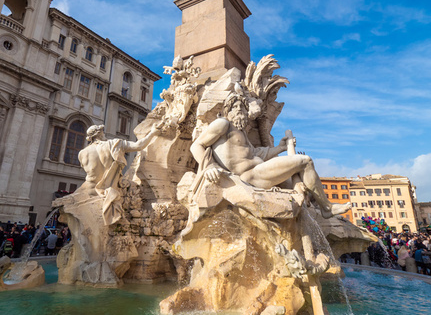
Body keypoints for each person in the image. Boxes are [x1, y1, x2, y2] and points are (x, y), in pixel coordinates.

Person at [190, 93, 351, 218]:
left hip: (259, 171)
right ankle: (327, 208)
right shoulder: (222, 124)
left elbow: (257, 153)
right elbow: (196, 145)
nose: (239, 110)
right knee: (305, 161)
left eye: (242, 107)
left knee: (302, 189)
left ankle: (318, 208)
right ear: (227, 111)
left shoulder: (241, 132)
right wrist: (209, 166)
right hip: (250, 177)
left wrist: (281, 148)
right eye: (234, 107)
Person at [78, 122, 164, 225]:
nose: (104, 134)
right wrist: (153, 133)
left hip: (88, 190)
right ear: (100, 134)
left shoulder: (82, 153)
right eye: (103, 132)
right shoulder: (114, 144)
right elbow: (139, 145)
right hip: (109, 189)